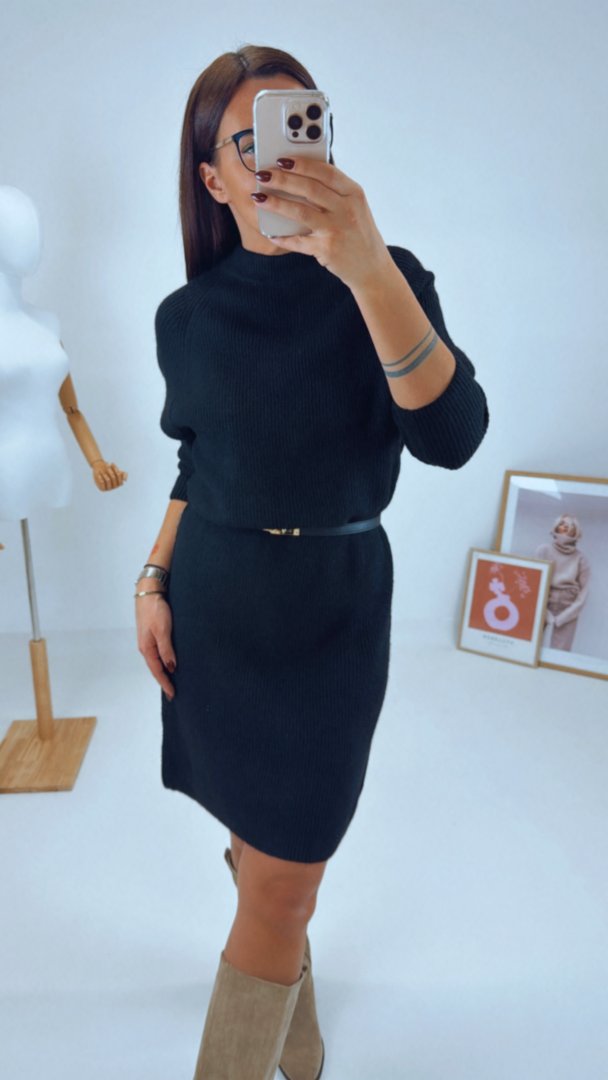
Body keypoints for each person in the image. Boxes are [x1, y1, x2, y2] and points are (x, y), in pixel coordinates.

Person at [134, 44, 490, 1080]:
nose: (278, 158)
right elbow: (197, 459)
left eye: (298, 126)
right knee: (264, 864)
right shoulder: (186, 318)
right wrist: (152, 579)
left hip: (332, 614)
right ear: (212, 179)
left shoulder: (388, 278)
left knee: (287, 879)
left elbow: (451, 436)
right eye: (249, 141)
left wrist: (368, 266)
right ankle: (300, 1047)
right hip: (216, 606)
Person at [535, 514, 590, 651]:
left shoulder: (581, 558)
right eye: (562, 523)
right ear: (555, 527)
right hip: (543, 602)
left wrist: (566, 615)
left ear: (576, 531)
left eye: (570, 524)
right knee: (531, 644)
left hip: (568, 605)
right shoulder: (543, 550)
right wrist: (543, 610)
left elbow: (584, 592)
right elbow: (534, 582)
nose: (565, 526)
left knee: (560, 652)